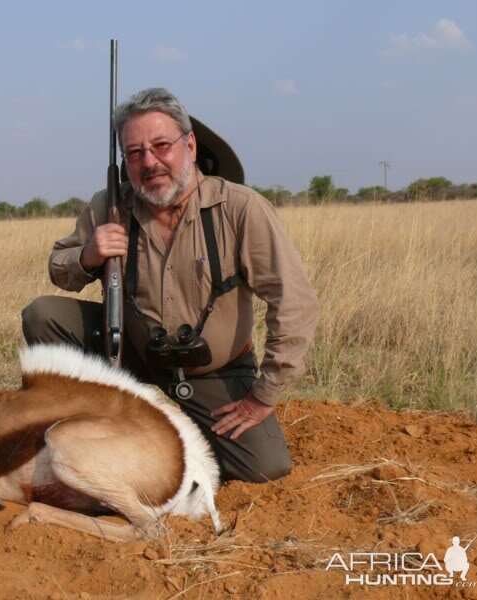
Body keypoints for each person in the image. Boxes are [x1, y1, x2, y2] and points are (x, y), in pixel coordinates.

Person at [22, 88, 318, 484]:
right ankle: (77, 429)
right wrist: (88, 255)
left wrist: (262, 397)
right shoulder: (109, 205)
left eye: (161, 146)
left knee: (265, 467)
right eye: (134, 153)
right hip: (132, 354)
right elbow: (59, 268)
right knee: (43, 315)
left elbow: (295, 303)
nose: (150, 162)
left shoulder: (241, 208)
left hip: (215, 372)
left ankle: (170, 433)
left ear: (190, 144)